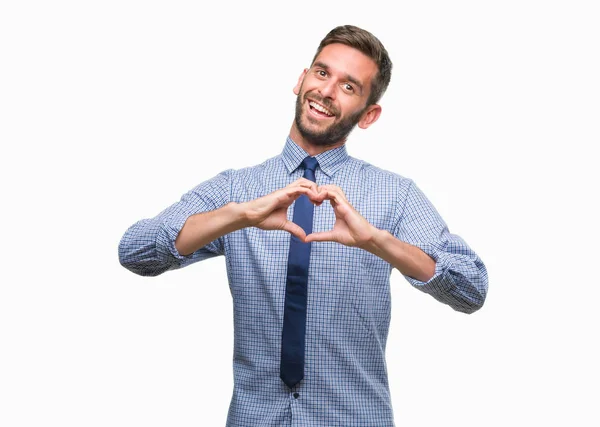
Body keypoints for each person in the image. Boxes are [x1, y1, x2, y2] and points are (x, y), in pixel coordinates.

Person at [119, 24, 488, 427]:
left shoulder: (395, 195)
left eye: (349, 87)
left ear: (369, 115)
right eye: (322, 73)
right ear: (301, 80)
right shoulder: (239, 189)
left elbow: (471, 288)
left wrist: (377, 242)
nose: (327, 92)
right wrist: (238, 215)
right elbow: (136, 251)